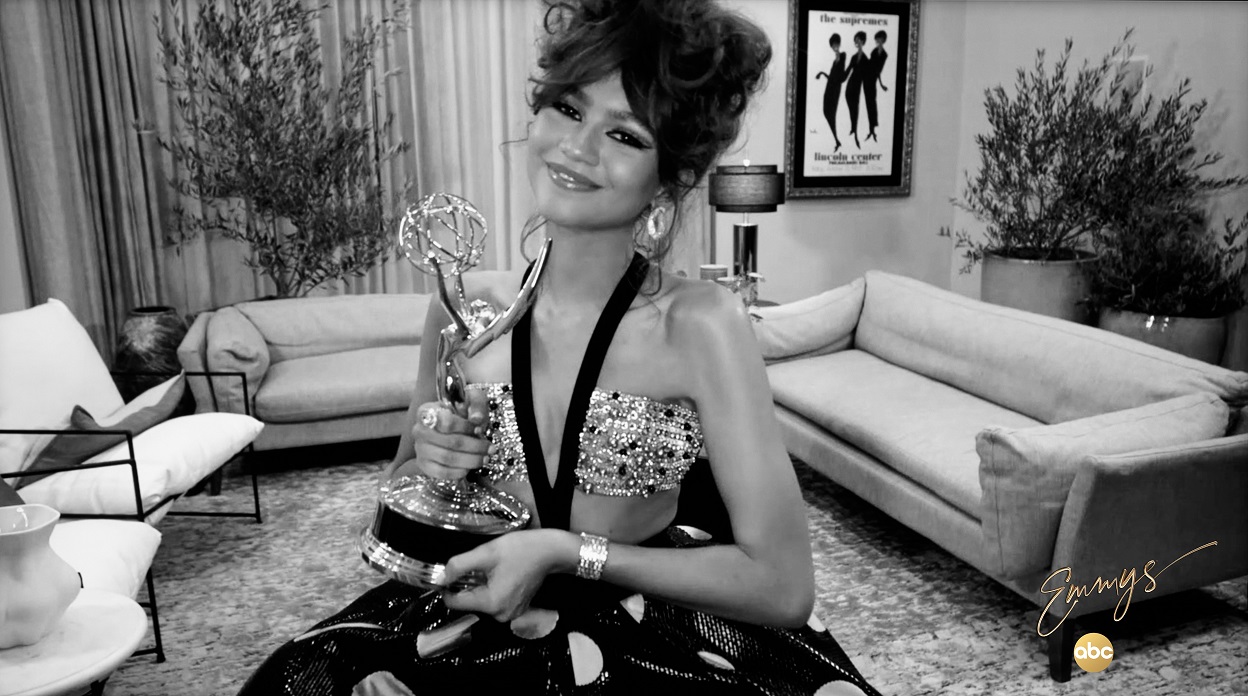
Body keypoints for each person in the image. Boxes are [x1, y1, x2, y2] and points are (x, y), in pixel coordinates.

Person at [238, 1, 881, 694]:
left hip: (646, 632)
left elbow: (783, 586)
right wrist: (437, 465)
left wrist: (567, 552)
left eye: (625, 134)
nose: (578, 147)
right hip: (475, 623)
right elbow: (400, 507)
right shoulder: (465, 309)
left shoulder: (700, 323)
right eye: (569, 109)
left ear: (669, 176)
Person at [814, 33, 848, 152]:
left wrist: (850, 67)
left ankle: (837, 140)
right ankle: (837, 140)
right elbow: (832, 77)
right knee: (826, 111)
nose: (835, 47)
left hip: (835, 89)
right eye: (833, 45)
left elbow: (841, 77)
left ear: (839, 44)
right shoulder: (835, 61)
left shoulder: (842, 56)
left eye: (836, 44)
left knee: (831, 113)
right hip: (829, 88)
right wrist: (822, 73)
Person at [863, 31, 889, 143]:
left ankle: (872, 129)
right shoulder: (874, 51)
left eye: (879, 39)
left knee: (872, 103)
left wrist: (881, 84)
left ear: (883, 40)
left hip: (872, 79)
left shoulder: (884, 54)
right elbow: (870, 63)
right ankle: (871, 130)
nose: (877, 41)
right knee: (869, 103)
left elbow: (879, 70)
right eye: (877, 39)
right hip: (866, 78)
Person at [843, 31, 868, 150]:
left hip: (857, 87)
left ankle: (855, 131)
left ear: (863, 41)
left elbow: (869, 76)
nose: (857, 42)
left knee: (855, 109)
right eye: (855, 40)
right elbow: (847, 72)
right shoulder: (853, 57)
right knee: (852, 109)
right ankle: (853, 128)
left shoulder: (865, 59)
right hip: (849, 87)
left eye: (858, 40)